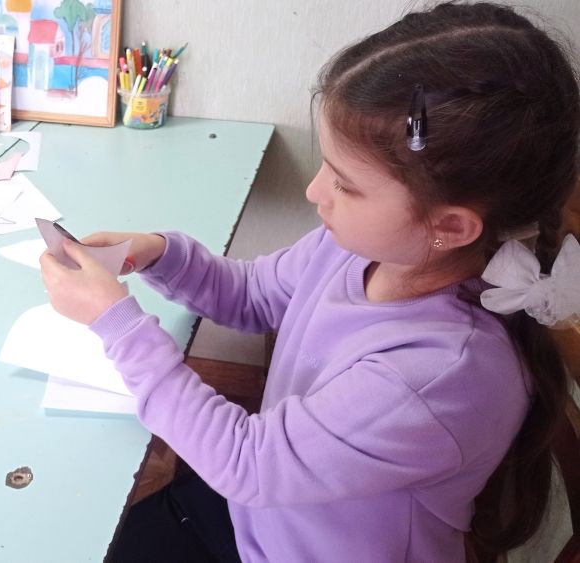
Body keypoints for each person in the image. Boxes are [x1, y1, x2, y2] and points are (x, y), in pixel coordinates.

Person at [38, 2, 580, 561]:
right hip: (258, 511)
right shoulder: (355, 248)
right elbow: (251, 295)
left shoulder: (441, 373)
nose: (314, 191)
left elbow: (248, 463)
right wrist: (161, 255)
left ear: (450, 226)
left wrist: (118, 324)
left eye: (344, 184)